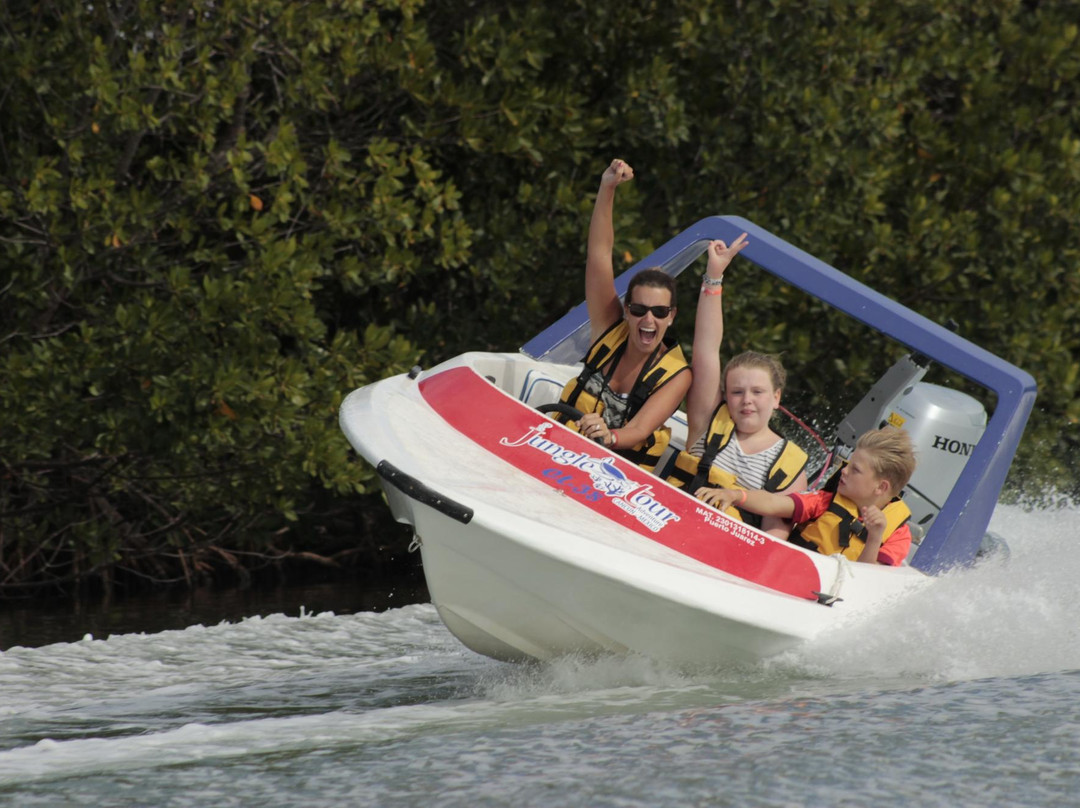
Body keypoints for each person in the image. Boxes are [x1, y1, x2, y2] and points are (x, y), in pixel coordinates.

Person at [661, 237, 809, 539]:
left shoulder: (790, 466)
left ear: (776, 398)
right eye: (738, 392)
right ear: (725, 396)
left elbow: (772, 540)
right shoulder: (706, 419)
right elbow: (706, 348)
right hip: (666, 526)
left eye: (758, 392)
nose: (747, 400)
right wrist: (714, 277)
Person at [555, 159, 692, 472]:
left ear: (671, 316)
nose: (648, 320)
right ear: (627, 311)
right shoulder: (608, 328)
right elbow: (599, 255)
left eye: (659, 312)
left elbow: (640, 431)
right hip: (558, 449)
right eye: (639, 309)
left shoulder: (678, 375)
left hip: (612, 478)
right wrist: (608, 187)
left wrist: (609, 436)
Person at [707, 427, 917, 565]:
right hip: (788, 575)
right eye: (847, 464)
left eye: (855, 470)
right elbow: (774, 503)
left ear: (881, 487)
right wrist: (735, 495)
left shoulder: (898, 535)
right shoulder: (825, 501)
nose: (843, 471)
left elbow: (866, 582)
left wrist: (874, 538)